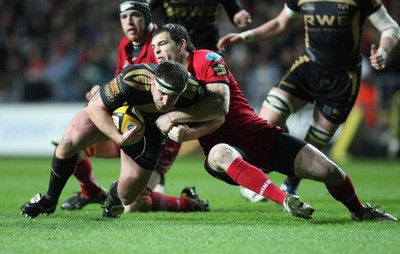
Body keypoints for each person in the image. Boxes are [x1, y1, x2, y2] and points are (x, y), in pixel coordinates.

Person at [148, 23, 396, 221]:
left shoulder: (205, 59)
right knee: (220, 152)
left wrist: (173, 117)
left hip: (260, 135)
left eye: (162, 44)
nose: (156, 50)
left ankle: (360, 211)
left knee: (330, 172)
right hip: (226, 154)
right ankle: (285, 199)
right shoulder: (160, 80)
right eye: (153, 46)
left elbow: (220, 107)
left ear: (182, 44)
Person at [217, 0, 400, 195]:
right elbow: (280, 24)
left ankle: (291, 183)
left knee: (313, 148)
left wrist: (383, 50)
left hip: (342, 79)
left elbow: (390, 26)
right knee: (267, 119)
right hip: (308, 68)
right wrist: (245, 37)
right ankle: (259, 173)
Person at [60, 0, 207, 213]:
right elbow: (122, 86)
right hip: (129, 127)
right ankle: (91, 191)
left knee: (132, 205)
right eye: (124, 17)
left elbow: (175, 89)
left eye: (135, 15)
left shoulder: (160, 48)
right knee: (68, 147)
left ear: (148, 19)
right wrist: (101, 93)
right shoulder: (125, 46)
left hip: (159, 139)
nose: (129, 22)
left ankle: (190, 203)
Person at [20, 60, 214, 219]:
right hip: (115, 114)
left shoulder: (193, 91)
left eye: (173, 97)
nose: (165, 102)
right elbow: (95, 108)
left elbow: (218, 115)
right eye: (162, 94)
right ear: (153, 82)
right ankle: (49, 199)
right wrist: (117, 137)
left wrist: (189, 133)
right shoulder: (133, 78)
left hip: (152, 134)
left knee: (129, 197)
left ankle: (113, 196)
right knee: (69, 141)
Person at [147, 0, 252, 51]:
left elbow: (234, 10)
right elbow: (142, 9)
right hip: (174, 51)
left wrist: (240, 15)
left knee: (218, 89)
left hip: (209, 49)